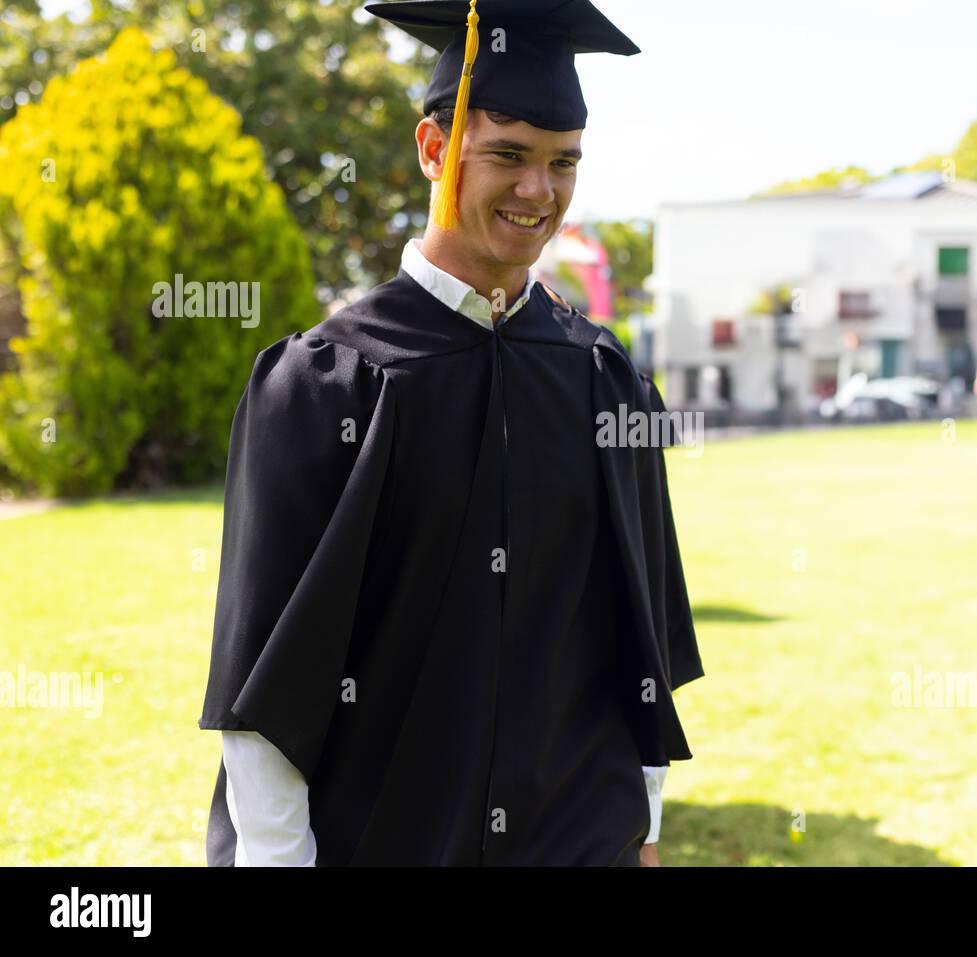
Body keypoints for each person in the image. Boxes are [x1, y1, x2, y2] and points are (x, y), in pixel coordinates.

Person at [198, 0, 704, 867]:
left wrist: (644, 831)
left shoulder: (603, 377)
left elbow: (638, 635)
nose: (537, 191)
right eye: (506, 155)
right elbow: (267, 681)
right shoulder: (323, 383)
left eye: (562, 163)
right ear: (435, 150)